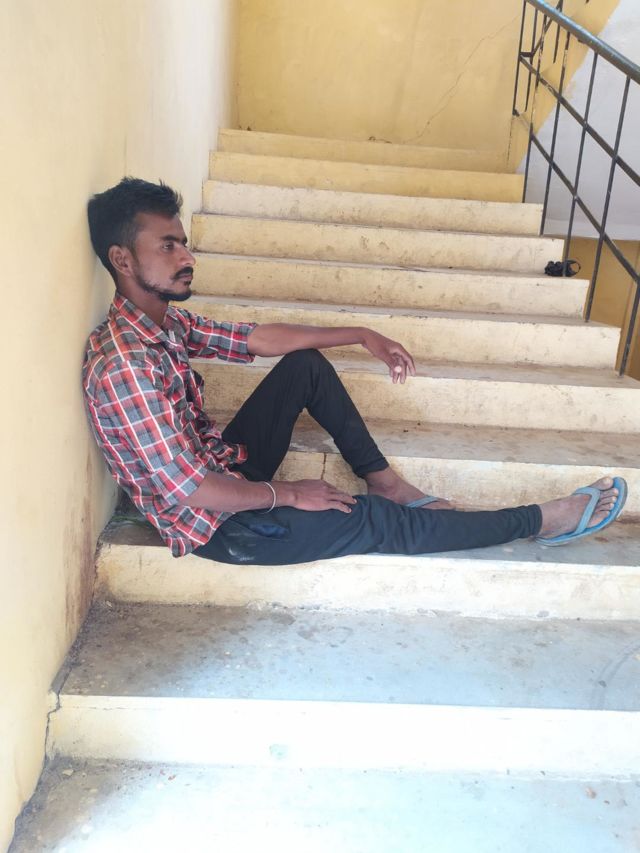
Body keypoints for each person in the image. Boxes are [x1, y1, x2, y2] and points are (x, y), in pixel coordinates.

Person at [82, 178, 626, 565]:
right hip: (219, 524)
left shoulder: (165, 325)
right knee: (374, 523)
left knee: (304, 365)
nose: (187, 257)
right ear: (123, 260)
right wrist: (287, 493)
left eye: (183, 242)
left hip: (223, 464)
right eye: (168, 245)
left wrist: (360, 334)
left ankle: (385, 482)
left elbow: (256, 339)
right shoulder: (125, 363)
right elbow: (191, 489)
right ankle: (542, 519)